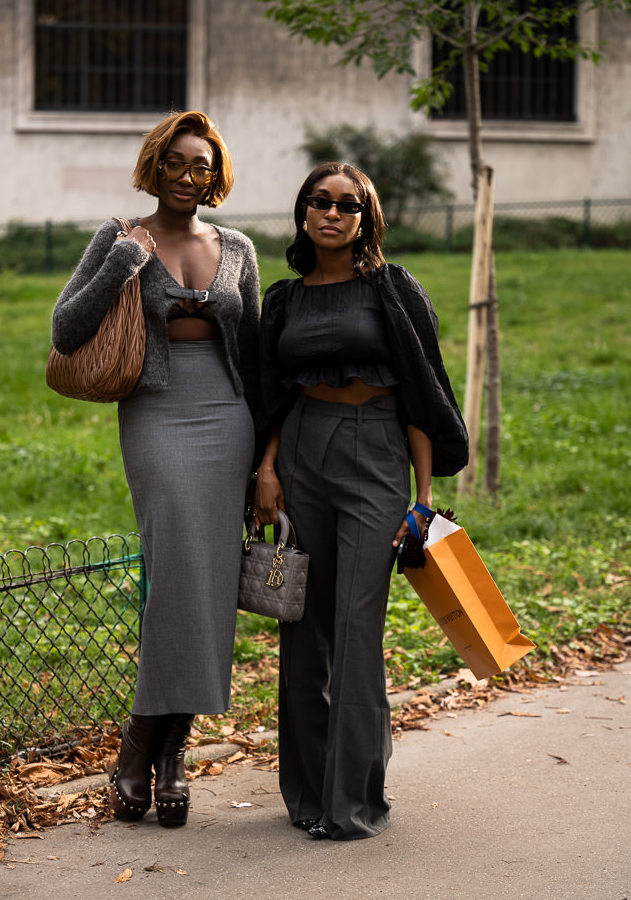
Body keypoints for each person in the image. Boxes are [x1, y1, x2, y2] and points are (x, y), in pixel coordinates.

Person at [51, 111, 259, 828]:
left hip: (230, 416)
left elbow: (255, 354)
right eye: (176, 163)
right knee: (175, 576)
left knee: (212, 580)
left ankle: (169, 751)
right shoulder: (121, 237)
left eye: (202, 165)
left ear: (216, 175)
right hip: (158, 414)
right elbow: (65, 329)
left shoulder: (236, 246)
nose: (189, 176)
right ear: (155, 166)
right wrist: (123, 264)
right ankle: (144, 740)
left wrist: (268, 458)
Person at [254, 161, 468, 841]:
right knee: (302, 628)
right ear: (303, 213)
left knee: (354, 628)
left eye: (347, 205)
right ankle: (308, 795)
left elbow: (419, 386)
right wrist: (265, 469)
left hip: (375, 451)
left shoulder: (391, 289)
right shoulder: (284, 300)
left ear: (365, 219)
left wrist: (425, 496)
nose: (332, 212)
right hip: (301, 456)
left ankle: (353, 803)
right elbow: (276, 393)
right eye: (319, 201)